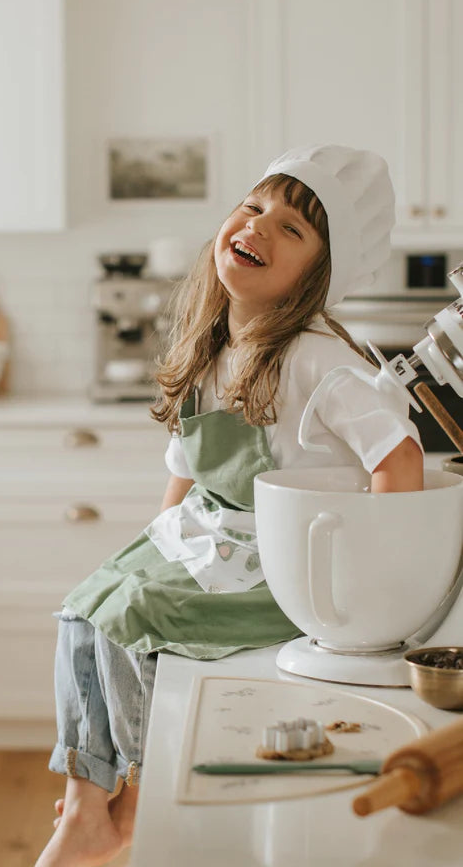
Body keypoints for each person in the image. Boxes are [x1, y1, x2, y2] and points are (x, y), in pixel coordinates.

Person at [34, 144, 424, 867]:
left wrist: (370, 592)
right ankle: (90, 803)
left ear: (319, 276)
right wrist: (149, 548)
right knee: (82, 612)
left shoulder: (317, 358)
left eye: (294, 228)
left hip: (278, 564)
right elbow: (184, 473)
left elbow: (397, 457)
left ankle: (141, 799)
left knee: (124, 617)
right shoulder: (211, 348)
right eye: (254, 207)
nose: (260, 226)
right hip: (212, 541)